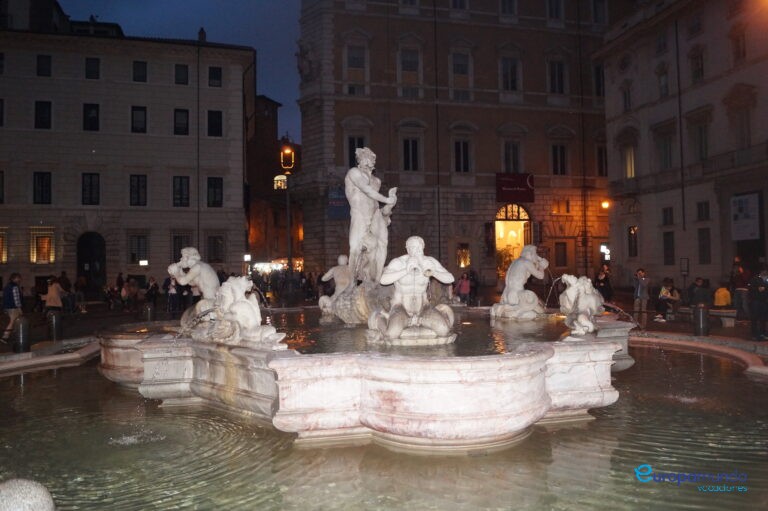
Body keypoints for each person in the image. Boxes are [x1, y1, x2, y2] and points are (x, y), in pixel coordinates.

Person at [373, 236, 455, 339]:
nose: (416, 251)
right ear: (407, 249)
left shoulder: (429, 262)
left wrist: (433, 271)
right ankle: (380, 317)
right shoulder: (399, 262)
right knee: (391, 334)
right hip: (401, 308)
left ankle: (428, 319)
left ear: (423, 247)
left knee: (443, 330)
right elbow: (383, 280)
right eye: (412, 247)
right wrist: (405, 270)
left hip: (423, 308)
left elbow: (450, 279)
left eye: (419, 248)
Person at [344, 147, 397, 283]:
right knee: (355, 247)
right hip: (360, 213)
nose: (369, 160)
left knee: (383, 242)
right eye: (366, 157)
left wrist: (390, 204)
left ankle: (377, 279)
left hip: (375, 213)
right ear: (360, 160)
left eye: (372, 158)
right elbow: (366, 190)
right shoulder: (353, 173)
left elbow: (376, 203)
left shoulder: (376, 181)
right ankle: (352, 283)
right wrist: (386, 199)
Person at [747, 269, 768, 341]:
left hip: (764, 301)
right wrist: (757, 289)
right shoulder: (755, 279)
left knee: (763, 318)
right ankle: (754, 334)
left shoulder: (766, 280)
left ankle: (763, 333)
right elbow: (750, 288)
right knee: (755, 317)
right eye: (764, 273)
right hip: (755, 301)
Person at [2, 273, 23, 342]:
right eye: (18, 278)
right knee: (12, 321)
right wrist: (19, 308)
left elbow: (4, 297)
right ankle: (5, 337)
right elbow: (16, 298)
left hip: (8, 306)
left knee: (14, 321)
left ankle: (15, 334)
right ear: (15, 278)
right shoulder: (14, 286)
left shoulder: (7, 286)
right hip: (13, 307)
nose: (20, 279)